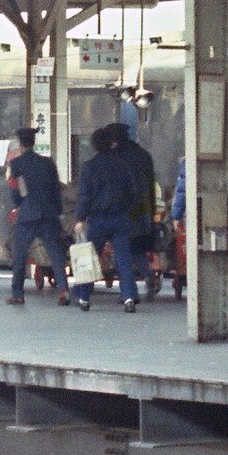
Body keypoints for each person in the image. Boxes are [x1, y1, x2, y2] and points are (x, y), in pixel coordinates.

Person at [73, 125, 141, 313]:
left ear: (94, 145)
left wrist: (80, 218)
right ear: (111, 143)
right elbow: (133, 192)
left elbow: (85, 196)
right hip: (120, 218)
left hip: (97, 220)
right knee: (123, 258)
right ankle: (129, 297)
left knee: (90, 258)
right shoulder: (123, 165)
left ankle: (84, 297)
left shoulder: (89, 167)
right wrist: (126, 208)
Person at [7, 127, 69, 307]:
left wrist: (21, 205)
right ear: (34, 142)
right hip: (49, 214)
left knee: (19, 254)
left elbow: (17, 192)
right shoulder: (48, 163)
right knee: (55, 253)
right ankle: (63, 291)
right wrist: (58, 213)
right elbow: (56, 191)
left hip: (27, 215)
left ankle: (18, 294)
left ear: (21, 144)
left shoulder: (16, 164)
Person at [110, 122, 161, 301]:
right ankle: (147, 274)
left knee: (122, 249)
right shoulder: (144, 155)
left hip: (123, 209)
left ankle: (128, 290)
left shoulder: (114, 157)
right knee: (136, 246)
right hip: (143, 209)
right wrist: (152, 211)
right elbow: (151, 185)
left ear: (114, 139)